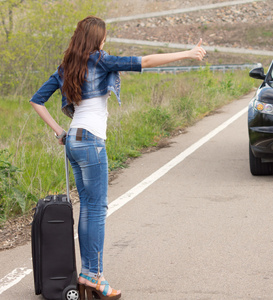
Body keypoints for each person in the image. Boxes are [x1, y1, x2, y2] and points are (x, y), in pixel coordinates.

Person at [29, 16, 206, 300]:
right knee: (96, 210)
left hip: (73, 140)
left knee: (88, 208)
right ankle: (94, 276)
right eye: (104, 36)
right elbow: (144, 62)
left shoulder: (66, 67)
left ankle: (89, 273)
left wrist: (60, 131)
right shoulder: (100, 60)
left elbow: (36, 100)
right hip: (91, 143)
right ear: (97, 38)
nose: (105, 41)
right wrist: (187, 53)